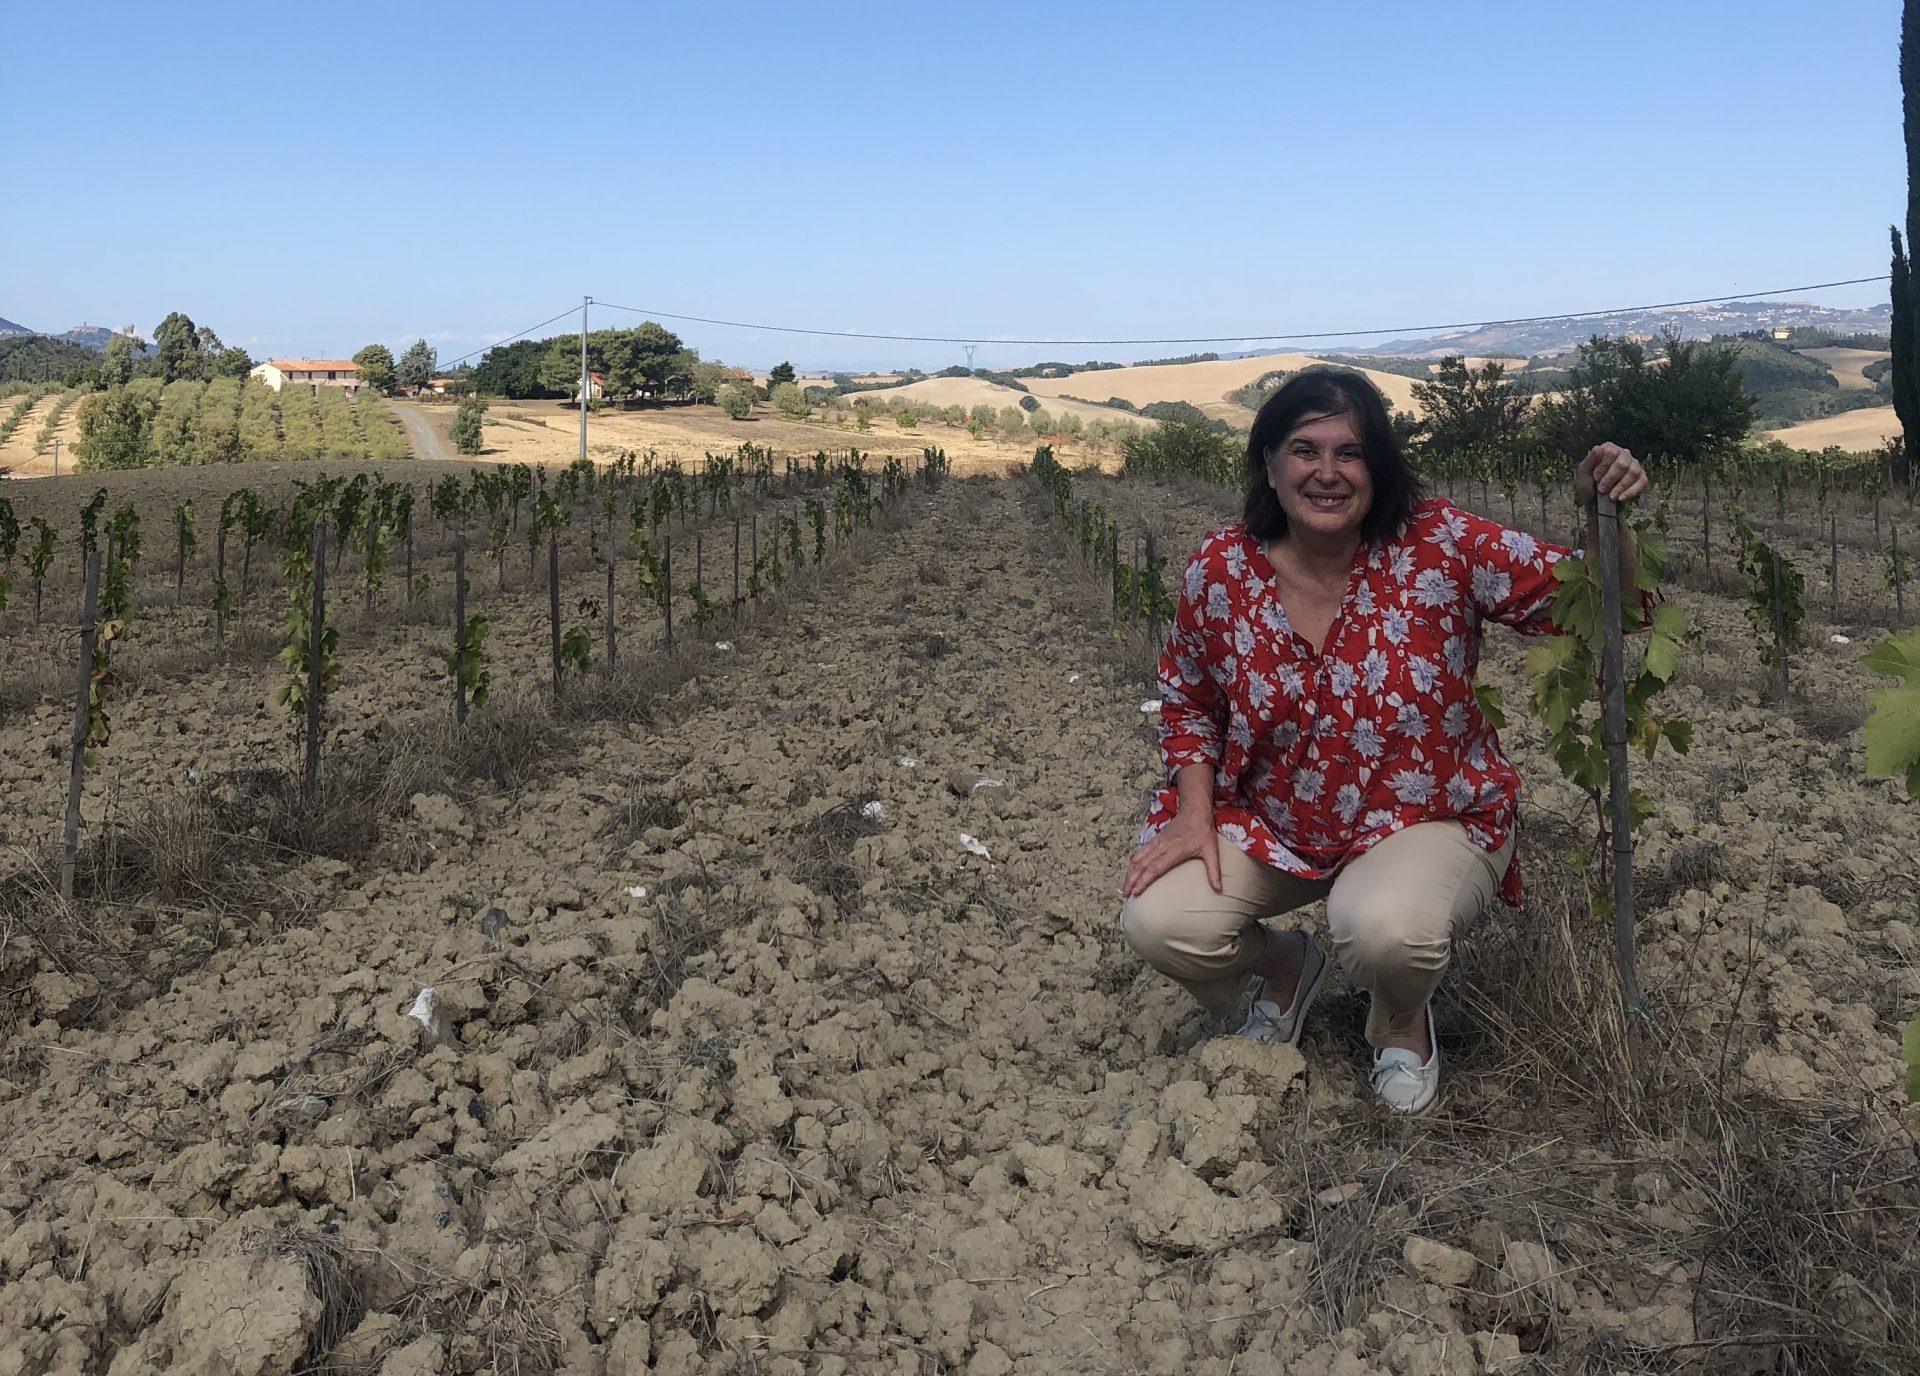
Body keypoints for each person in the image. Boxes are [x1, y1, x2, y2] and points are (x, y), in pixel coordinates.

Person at [1117, 368, 1648, 1114]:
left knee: (1384, 931)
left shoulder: (1440, 545)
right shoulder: (1220, 569)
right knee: (1159, 921)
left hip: (1426, 814)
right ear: (1269, 465)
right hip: (1276, 823)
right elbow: (1190, 700)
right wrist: (1195, 813)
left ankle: (1401, 1021)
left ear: (1380, 467)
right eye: (1304, 450)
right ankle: (1284, 970)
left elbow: (1596, 600)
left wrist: (1604, 513)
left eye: (1351, 453)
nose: (1327, 473)